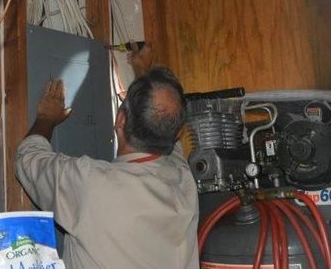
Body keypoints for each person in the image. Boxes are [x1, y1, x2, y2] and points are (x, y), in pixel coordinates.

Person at [15, 44, 199, 269]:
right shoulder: (182, 177)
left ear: (120, 120)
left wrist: (45, 118)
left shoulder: (91, 183)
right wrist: (142, 70)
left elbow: (28, 158)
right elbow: (163, 120)